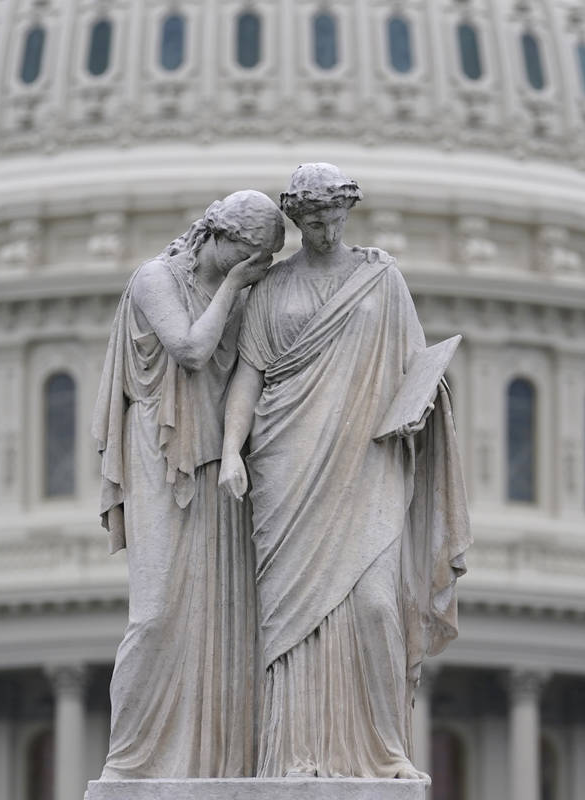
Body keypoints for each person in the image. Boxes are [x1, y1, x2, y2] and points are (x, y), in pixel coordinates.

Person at [220, 164, 471, 779]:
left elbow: (419, 366)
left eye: (333, 219)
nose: (325, 231)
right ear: (295, 221)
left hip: (368, 459)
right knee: (290, 622)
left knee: (377, 607)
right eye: (312, 222)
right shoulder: (272, 288)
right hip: (287, 465)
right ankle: (294, 756)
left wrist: (422, 404)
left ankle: (383, 753)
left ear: (348, 213)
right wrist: (230, 451)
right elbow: (248, 376)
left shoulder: (381, 280)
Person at [93, 190, 286, 778]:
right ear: (219, 237)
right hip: (160, 454)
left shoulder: (247, 293)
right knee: (154, 616)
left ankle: (217, 764)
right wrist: (237, 287)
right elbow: (192, 349)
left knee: (221, 621)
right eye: (252, 256)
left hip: (219, 466)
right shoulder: (156, 278)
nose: (257, 271)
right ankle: (130, 765)